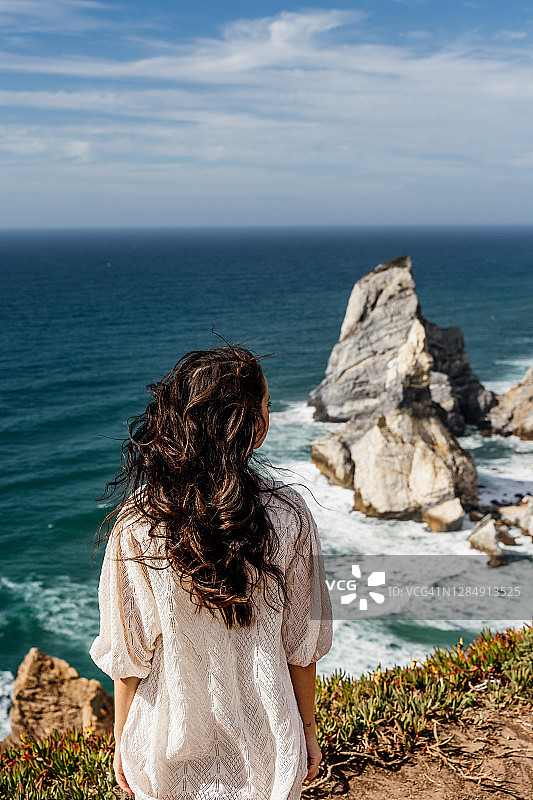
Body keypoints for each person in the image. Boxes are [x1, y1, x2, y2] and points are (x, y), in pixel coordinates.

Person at [89, 344, 333, 800]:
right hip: (267, 747)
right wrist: (307, 730)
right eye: (266, 405)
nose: (269, 414)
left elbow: (128, 653)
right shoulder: (290, 514)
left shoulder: (139, 522)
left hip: (164, 743)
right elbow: (302, 644)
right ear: (249, 427)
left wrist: (122, 738)